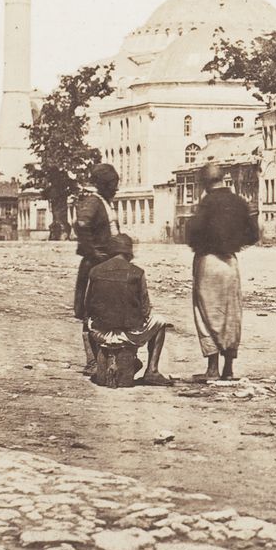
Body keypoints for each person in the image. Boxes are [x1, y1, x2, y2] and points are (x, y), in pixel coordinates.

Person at [185, 162, 259, 381]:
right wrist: (235, 244)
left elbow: (192, 234)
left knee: (207, 314)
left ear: (205, 183)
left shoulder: (206, 204)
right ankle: (229, 368)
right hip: (231, 263)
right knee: (231, 314)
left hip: (208, 261)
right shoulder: (239, 202)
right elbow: (254, 234)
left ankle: (212, 368)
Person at [84, 234, 171, 388]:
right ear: (129, 253)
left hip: (100, 333)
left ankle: (92, 363)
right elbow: (145, 310)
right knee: (161, 323)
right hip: (129, 334)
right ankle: (152, 371)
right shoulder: (137, 272)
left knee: (87, 321)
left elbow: (87, 305)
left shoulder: (95, 271)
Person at [72, 163, 121, 376]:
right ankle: (91, 361)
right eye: (114, 184)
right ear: (105, 184)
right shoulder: (94, 202)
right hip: (95, 265)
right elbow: (81, 225)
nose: (117, 188)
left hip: (106, 264)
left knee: (104, 311)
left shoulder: (105, 202)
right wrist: (93, 252)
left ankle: (102, 359)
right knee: (90, 312)